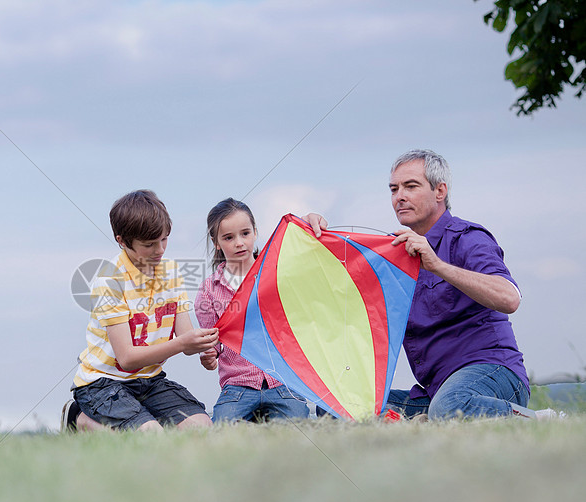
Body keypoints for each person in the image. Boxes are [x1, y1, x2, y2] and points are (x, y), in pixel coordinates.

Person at [309, 149, 539, 420]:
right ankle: (431, 419)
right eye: (394, 189)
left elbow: (509, 298)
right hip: (435, 392)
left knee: (450, 405)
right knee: (335, 408)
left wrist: (438, 265)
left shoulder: (467, 238)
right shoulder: (393, 255)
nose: (399, 197)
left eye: (411, 186)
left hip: (494, 373)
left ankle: (541, 420)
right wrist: (312, 242)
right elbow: (338, 303)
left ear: (440, 191)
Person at [63, 189, 218, 432]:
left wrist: (202, 349)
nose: (160, 250)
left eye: (164, 239)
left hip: (149, 380)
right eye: (149, 244)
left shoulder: (172, 272)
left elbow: (185, 336)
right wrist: (183, 344)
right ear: (122, 241)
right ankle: (78, 418)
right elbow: (126, 358)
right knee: (149, 436)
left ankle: (139, 417)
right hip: (104, 384)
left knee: (201, 427)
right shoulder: (109, 281)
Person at [195, 198, 310, 423]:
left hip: (282, 382)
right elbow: (213, 345)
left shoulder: (276, 275)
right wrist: (208, 356)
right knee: (224, 427)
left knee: (299, 425)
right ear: (216, 242)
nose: (239, 243)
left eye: (245, 233)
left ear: (255, 232)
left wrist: (309, 223)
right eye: (229, 237)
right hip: (237, 387)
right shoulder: (209, 290)